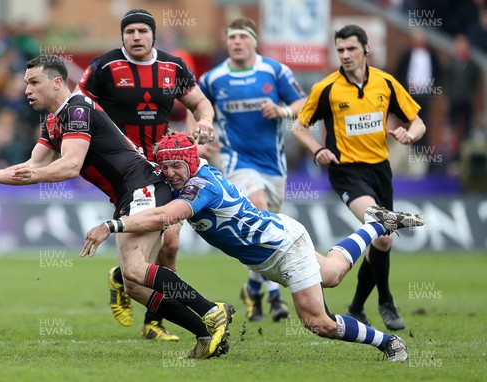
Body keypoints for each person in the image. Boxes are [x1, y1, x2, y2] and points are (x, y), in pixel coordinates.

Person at [81, 132, 426, 362]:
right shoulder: (188, 175)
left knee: (317, 323)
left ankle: (389, 343)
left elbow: (164, 217)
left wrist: (111, 226)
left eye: (176, 166)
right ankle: (377, 224)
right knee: (333, 273)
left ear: (190, 162)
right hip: (272, 249)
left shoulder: (202, 187)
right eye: (165, 166)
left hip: (283, 248)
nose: (170, 173)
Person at [0, 54, 233, 359]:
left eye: (34, 82)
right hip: (131, 194)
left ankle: (211, 310)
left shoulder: (77, 109)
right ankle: (207, 335)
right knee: (134, 286)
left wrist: (34, 174)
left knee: (136, 269)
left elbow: (70, 166)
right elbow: (31, 166)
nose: (27, 90)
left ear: (57, 82)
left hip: (143, 187)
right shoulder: (53, 120)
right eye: (26, 84)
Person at [75, 9, 215, 341]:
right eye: (130, 32)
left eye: (142, 31)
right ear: (122, 36)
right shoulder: (104, 67)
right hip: (127, 170)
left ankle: (145, 311)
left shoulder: (173, 66)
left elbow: (200, 104)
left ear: (153, 34)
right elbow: (79, 108)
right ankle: (135, 291)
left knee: (170, 247)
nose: (136, 37)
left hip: (164, 167)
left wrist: (205, 122)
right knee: (167, 240)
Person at [291, 25, 427, 331]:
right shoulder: (327, 88)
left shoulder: (386, 83)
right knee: (383, 229)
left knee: (381, 243)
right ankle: (387, 302)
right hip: (346, 172)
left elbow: (418, 122)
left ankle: (356, 306)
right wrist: (317, 150)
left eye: (351, 49)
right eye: (340, 50)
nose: (345, 55)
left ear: (366, 49)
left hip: (380, 170)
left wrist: (409, 134)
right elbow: (299, 126)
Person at [198, 17, 306, 322]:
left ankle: (252, 288)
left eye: (242, 37)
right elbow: (196, 106)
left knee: (269, 228)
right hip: (236, 161)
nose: (236, 42)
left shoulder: (273, 71)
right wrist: (201, 135)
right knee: (257, 210)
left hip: (272, 163)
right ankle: (274, 295)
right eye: (231, 37)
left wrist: (283, 111)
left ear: (253, 41)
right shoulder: (213, 78)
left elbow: (302, 102)